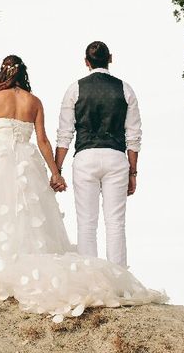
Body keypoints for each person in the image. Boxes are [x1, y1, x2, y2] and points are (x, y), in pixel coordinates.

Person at [0, 55, 166, 322]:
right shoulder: (34, 102)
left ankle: (4, 264)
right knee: (55, 217)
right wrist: (55, 172)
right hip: (30, 161)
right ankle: (114, 276)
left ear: (3, 72)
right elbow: (44, 140)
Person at [54, 41, 140, 268]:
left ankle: (90, 279)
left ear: (86, 62)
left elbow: (65, 134)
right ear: (110, 58)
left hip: (85, 158)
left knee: (86, 223)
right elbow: (133, 136)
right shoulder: (126, 89)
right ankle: (119, 281)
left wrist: (57, 169)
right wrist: (133, 172)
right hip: (115, 157)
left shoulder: (74, 89)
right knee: (115, 223)